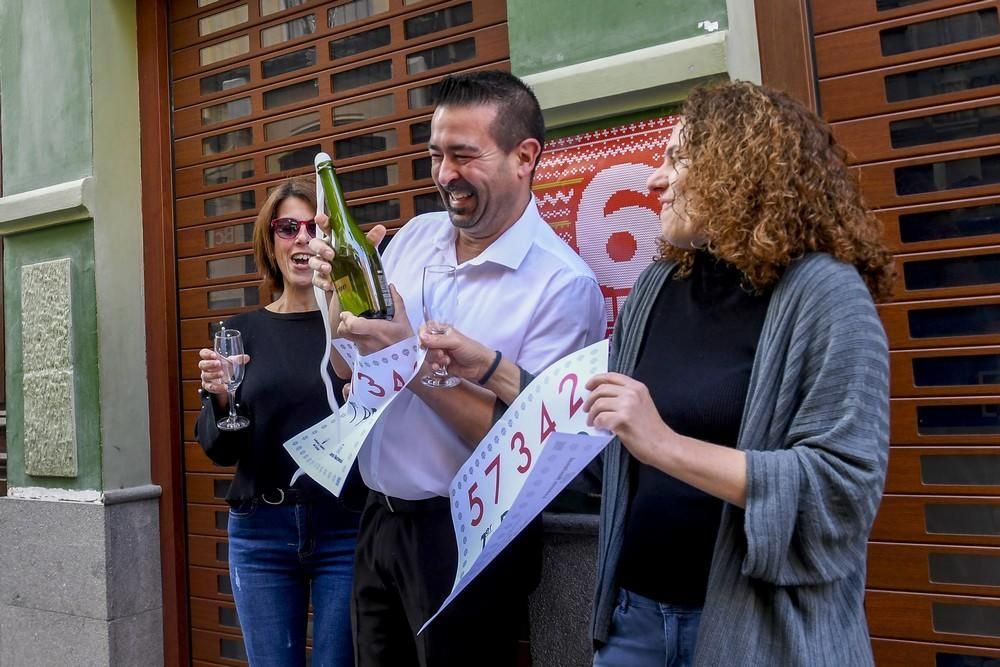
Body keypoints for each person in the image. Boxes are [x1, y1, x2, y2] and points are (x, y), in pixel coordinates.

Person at [422, 81, 894, 666]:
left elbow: (839, 491)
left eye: (678, 158)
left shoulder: (825, 296)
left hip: (756, 629)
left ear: (740, 169)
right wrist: (490, 369)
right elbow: (596, 417)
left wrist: (665, 445)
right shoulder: (658, 286)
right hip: (634, 622)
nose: (654, 179)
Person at [308, 70, 605, 666]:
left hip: (467, 538)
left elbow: (530, 445)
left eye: (464, 155)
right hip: (379, 520)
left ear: (525, 158)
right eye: (436, 154)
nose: (444, 175)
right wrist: (334, 301)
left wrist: (410, 361)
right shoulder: (414, 236)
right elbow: (347, 369)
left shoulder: (562, 284)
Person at [196, 176, 372, 666]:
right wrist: (220, 399)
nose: (300, 238)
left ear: (328, 243)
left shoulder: (354, 326)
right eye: (285, 227)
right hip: (261, 531)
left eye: (311, 228)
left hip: (345, 525)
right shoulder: (240, 332)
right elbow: (220, 450)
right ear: (269, 244)